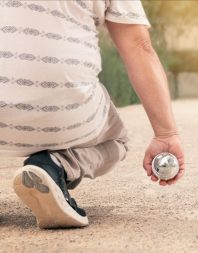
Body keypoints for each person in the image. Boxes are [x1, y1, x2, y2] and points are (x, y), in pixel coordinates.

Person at [0, 0, 185, 229]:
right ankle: (54, 165)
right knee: (115, 140)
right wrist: (166, 133)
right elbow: (138, 46)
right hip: (64, 112)